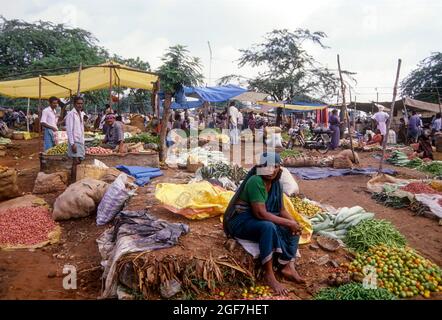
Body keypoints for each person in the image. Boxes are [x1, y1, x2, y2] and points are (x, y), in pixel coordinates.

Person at [223, 152, 304, 295]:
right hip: (241, 220)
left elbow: (281, 210)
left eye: (275, 167)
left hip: (258, 218)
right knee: (268, 226)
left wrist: (293, 223)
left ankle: (287, 265)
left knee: (294, 228)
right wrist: (287, 223)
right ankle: (269, 274)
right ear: (260, 166)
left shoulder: (277, 184)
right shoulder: (256, 181)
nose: (271, 170)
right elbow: (260, 213)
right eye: (266, 166)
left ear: (280, 168)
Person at [66, 96, 86, 184]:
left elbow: (81, 128)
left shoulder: (81, 114)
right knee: (75, 161)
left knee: (79, 161)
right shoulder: (71, 114)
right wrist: (72, 143)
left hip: (80, 140)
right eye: (78, 103)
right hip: (74, 141)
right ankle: (73, 181)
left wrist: (83, 141)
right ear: (74, 104)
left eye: (81, 103)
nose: (80, 105)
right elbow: (69, 130)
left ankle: (76, 179)